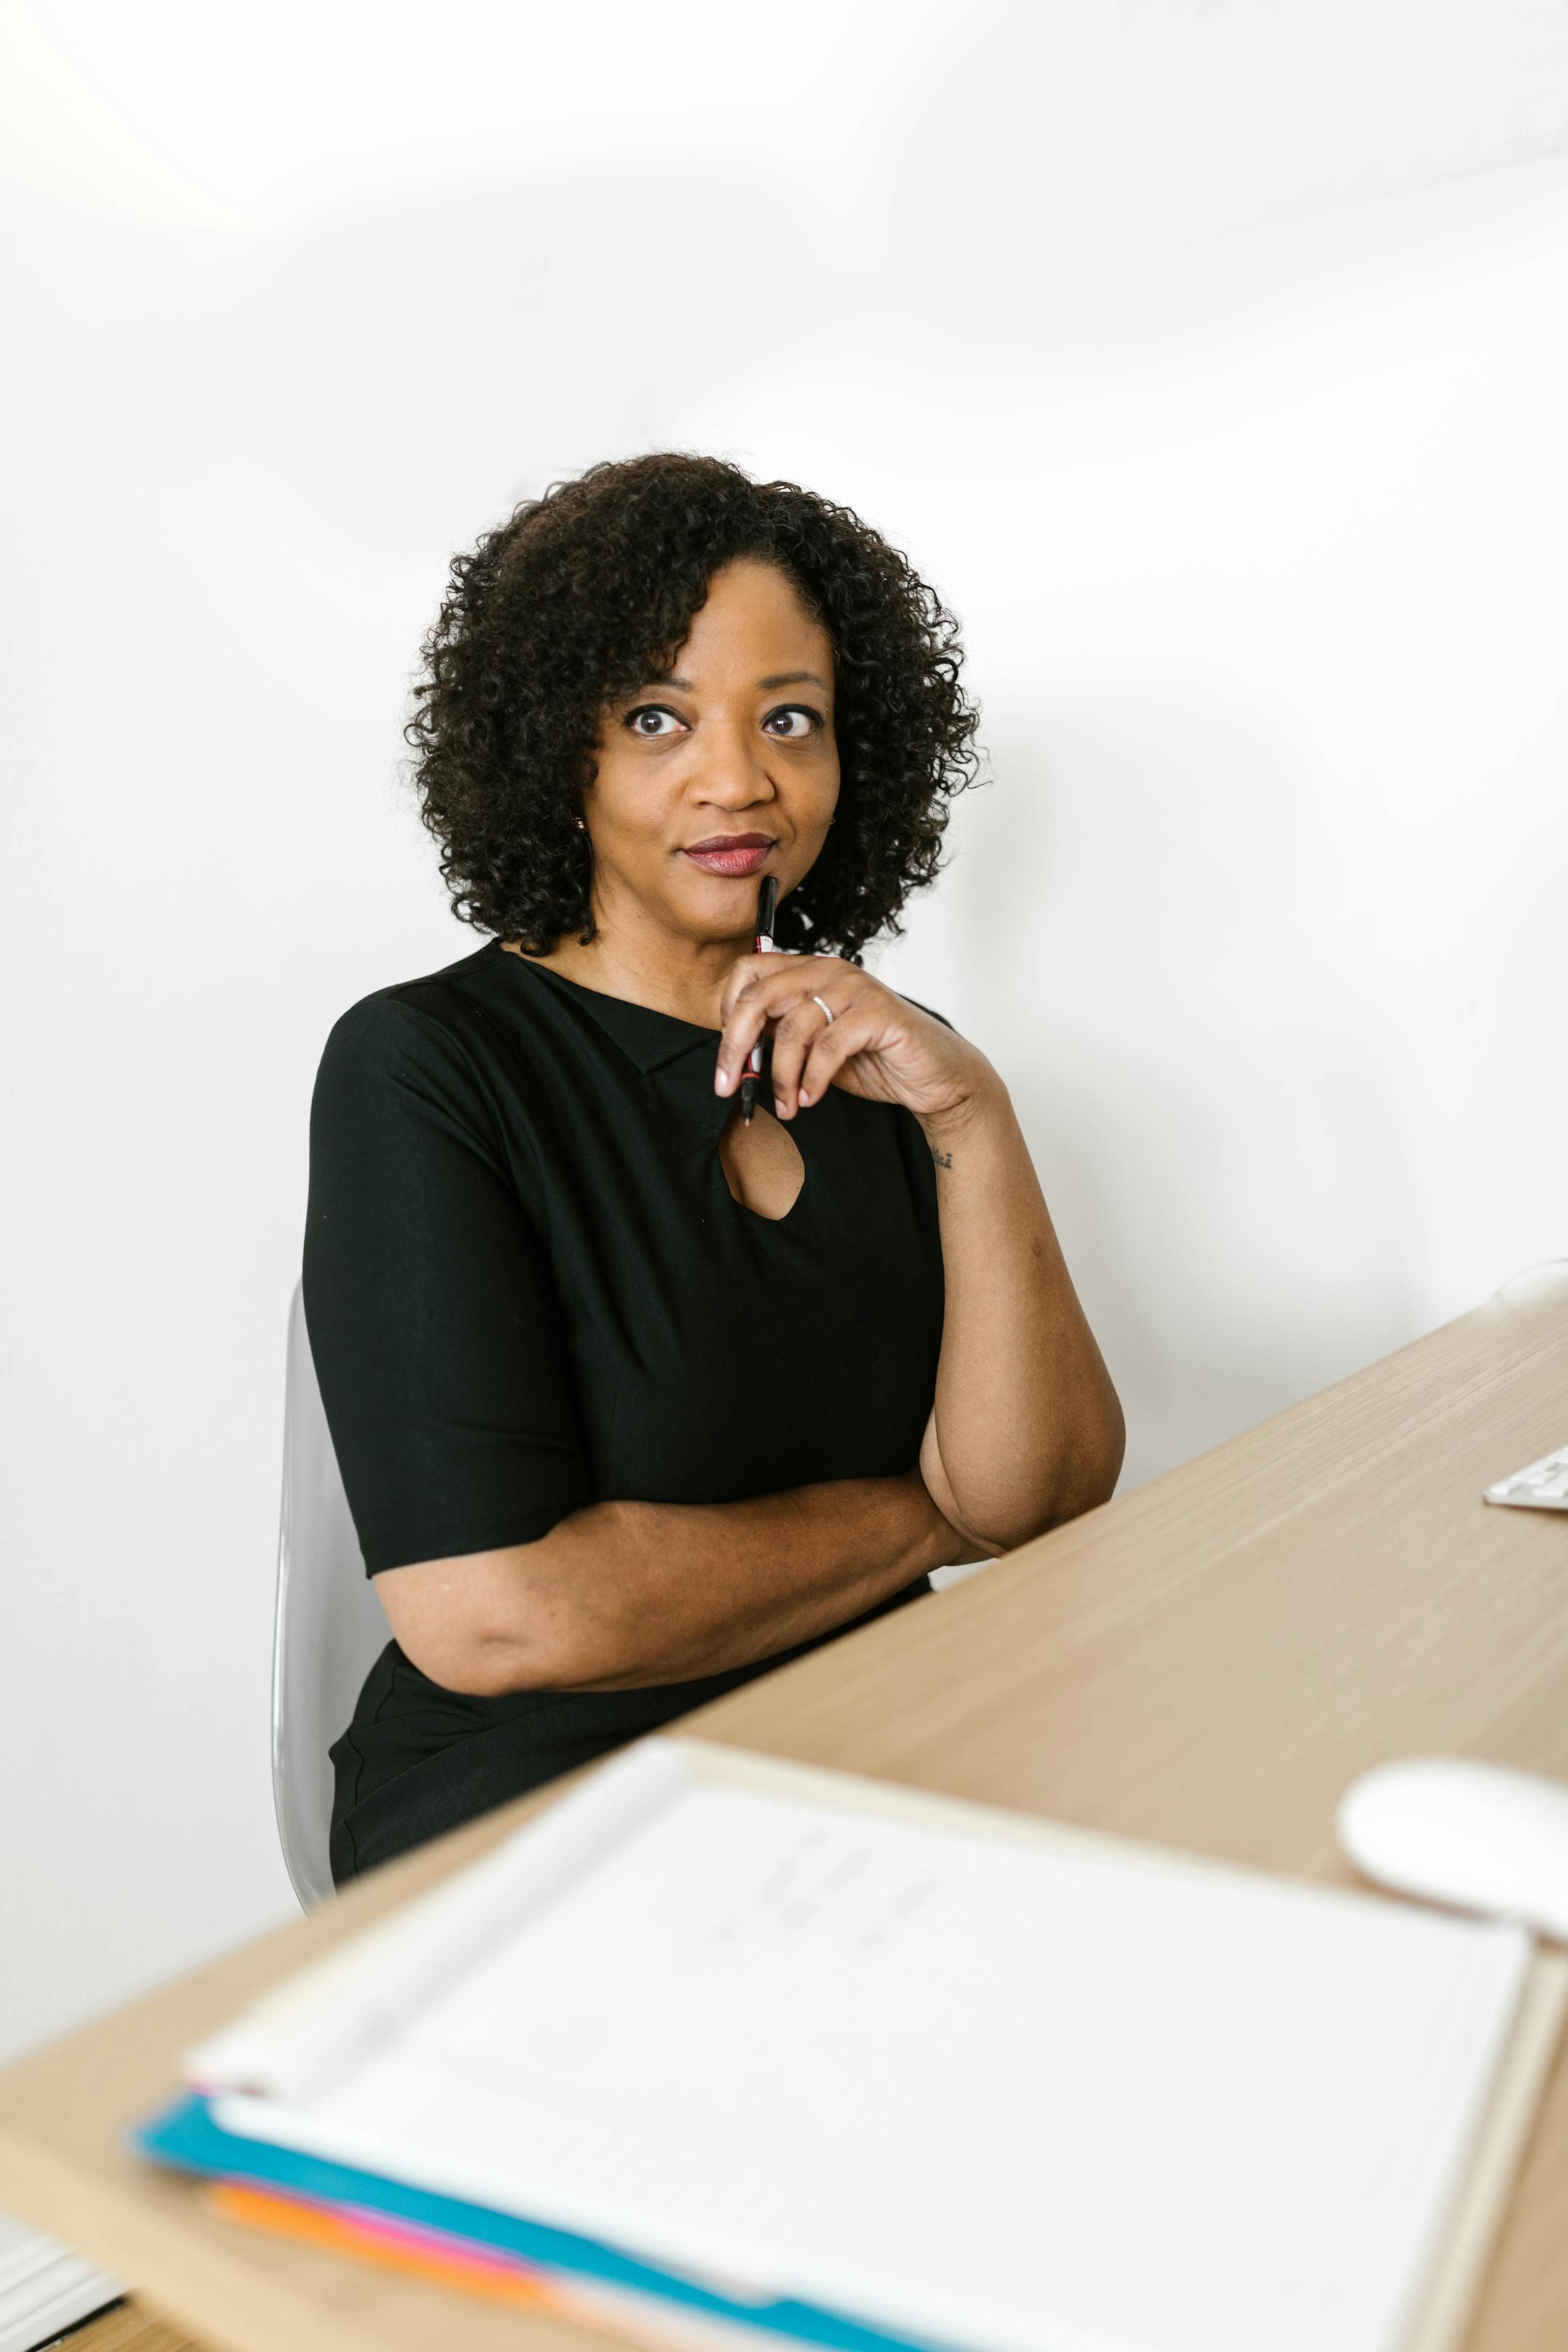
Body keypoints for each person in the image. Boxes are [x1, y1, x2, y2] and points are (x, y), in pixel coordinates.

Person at [304, 452, 1124, 1886]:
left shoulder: (888, 1061)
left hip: (883, 1744)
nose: (738, 779)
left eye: (789, 719)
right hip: (540, 1800)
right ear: (556, 750)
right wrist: (923, 1518)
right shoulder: (427, 1066)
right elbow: (499, 1617)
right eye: (656, 718)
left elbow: (1042, 1497)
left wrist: (973, 1120)